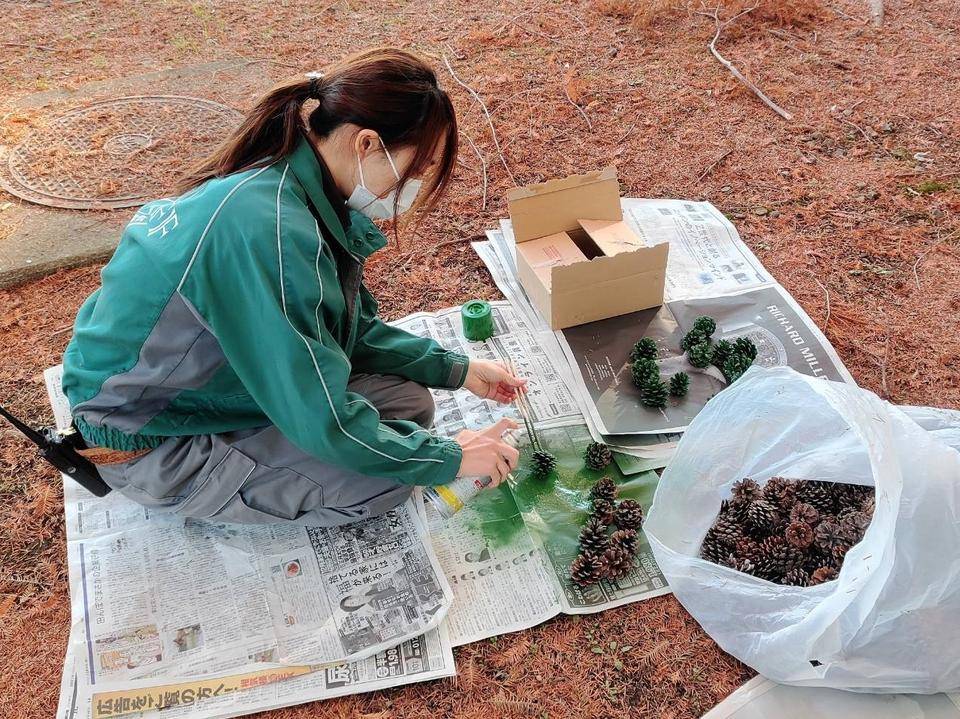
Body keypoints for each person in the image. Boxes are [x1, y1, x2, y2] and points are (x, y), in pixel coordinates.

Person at [61, 48, 524, 526]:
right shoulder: (271, 233)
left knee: (409, 404)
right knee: (389, 480)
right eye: (417, 168)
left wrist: (456, 368)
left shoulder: (294, 188)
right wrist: (448, 459)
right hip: (151, 439)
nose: (414, 186)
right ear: (366, 144)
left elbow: (345, 332)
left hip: (208, 393)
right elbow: (316, 411)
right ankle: (187, 484)